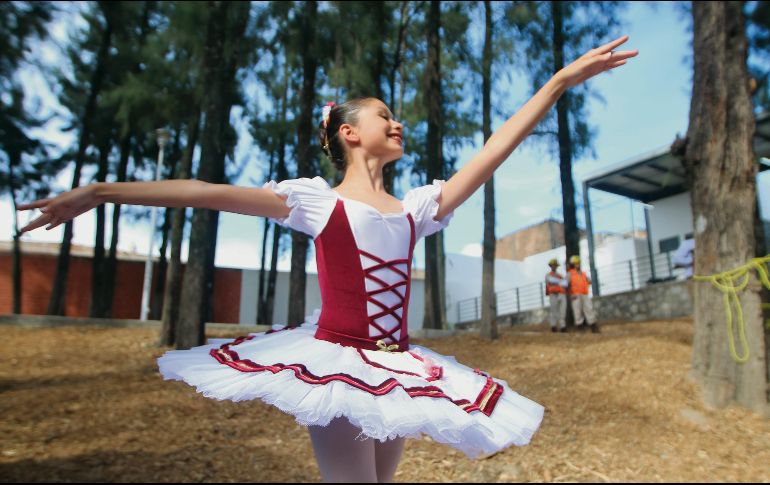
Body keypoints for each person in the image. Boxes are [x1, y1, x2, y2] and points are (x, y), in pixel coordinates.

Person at [17, 36, 635, 482]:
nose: (398, 124)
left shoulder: (416, 208)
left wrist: (556, 83)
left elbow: (493, 150)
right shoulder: (314, 202)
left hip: (401, 372)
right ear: (348, 132)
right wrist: (98, 192)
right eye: (384, 116)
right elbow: (204, 193)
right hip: (337, 366)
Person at [567, 255, 600, 334]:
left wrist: (589, 281)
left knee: (589, 309)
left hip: (584, 294)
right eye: (575, 263)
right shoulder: (569, 274)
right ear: (572, 264)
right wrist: (571, 295)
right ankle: (580, 328)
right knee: (577, 311)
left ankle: (593, 326)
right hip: (575, 295)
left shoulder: (583, 273)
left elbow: (588, 281)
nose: (577, 264)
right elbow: (566, 286)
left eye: (578, 263)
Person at [545, 258, 568, 333]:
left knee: (562, 311)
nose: (554, 267)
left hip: (561, 294)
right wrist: (560, 282)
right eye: (552, 265)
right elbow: (551, 280)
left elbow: (565, 284)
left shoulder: (560, 275)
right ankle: (553, 326)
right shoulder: (548, 275)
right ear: (550, 266)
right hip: (553, 295)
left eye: (555, 265)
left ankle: (562, 326)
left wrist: (559, 282)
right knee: (554, 311)